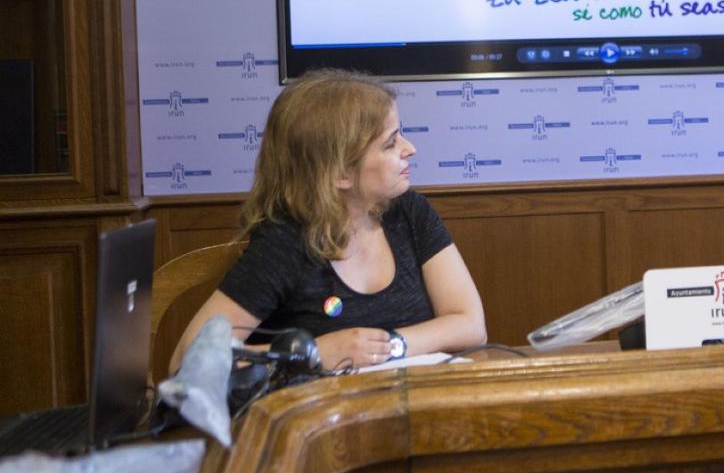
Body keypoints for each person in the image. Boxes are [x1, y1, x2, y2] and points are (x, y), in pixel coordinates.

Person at [170, 70, 487, 373]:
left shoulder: (409, 211)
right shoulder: (284, 243)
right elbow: (187, 363)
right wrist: (315, 353)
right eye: (391, 143)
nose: (410, 149)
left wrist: (389, 346)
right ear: (340, 173)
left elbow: (470, 324)